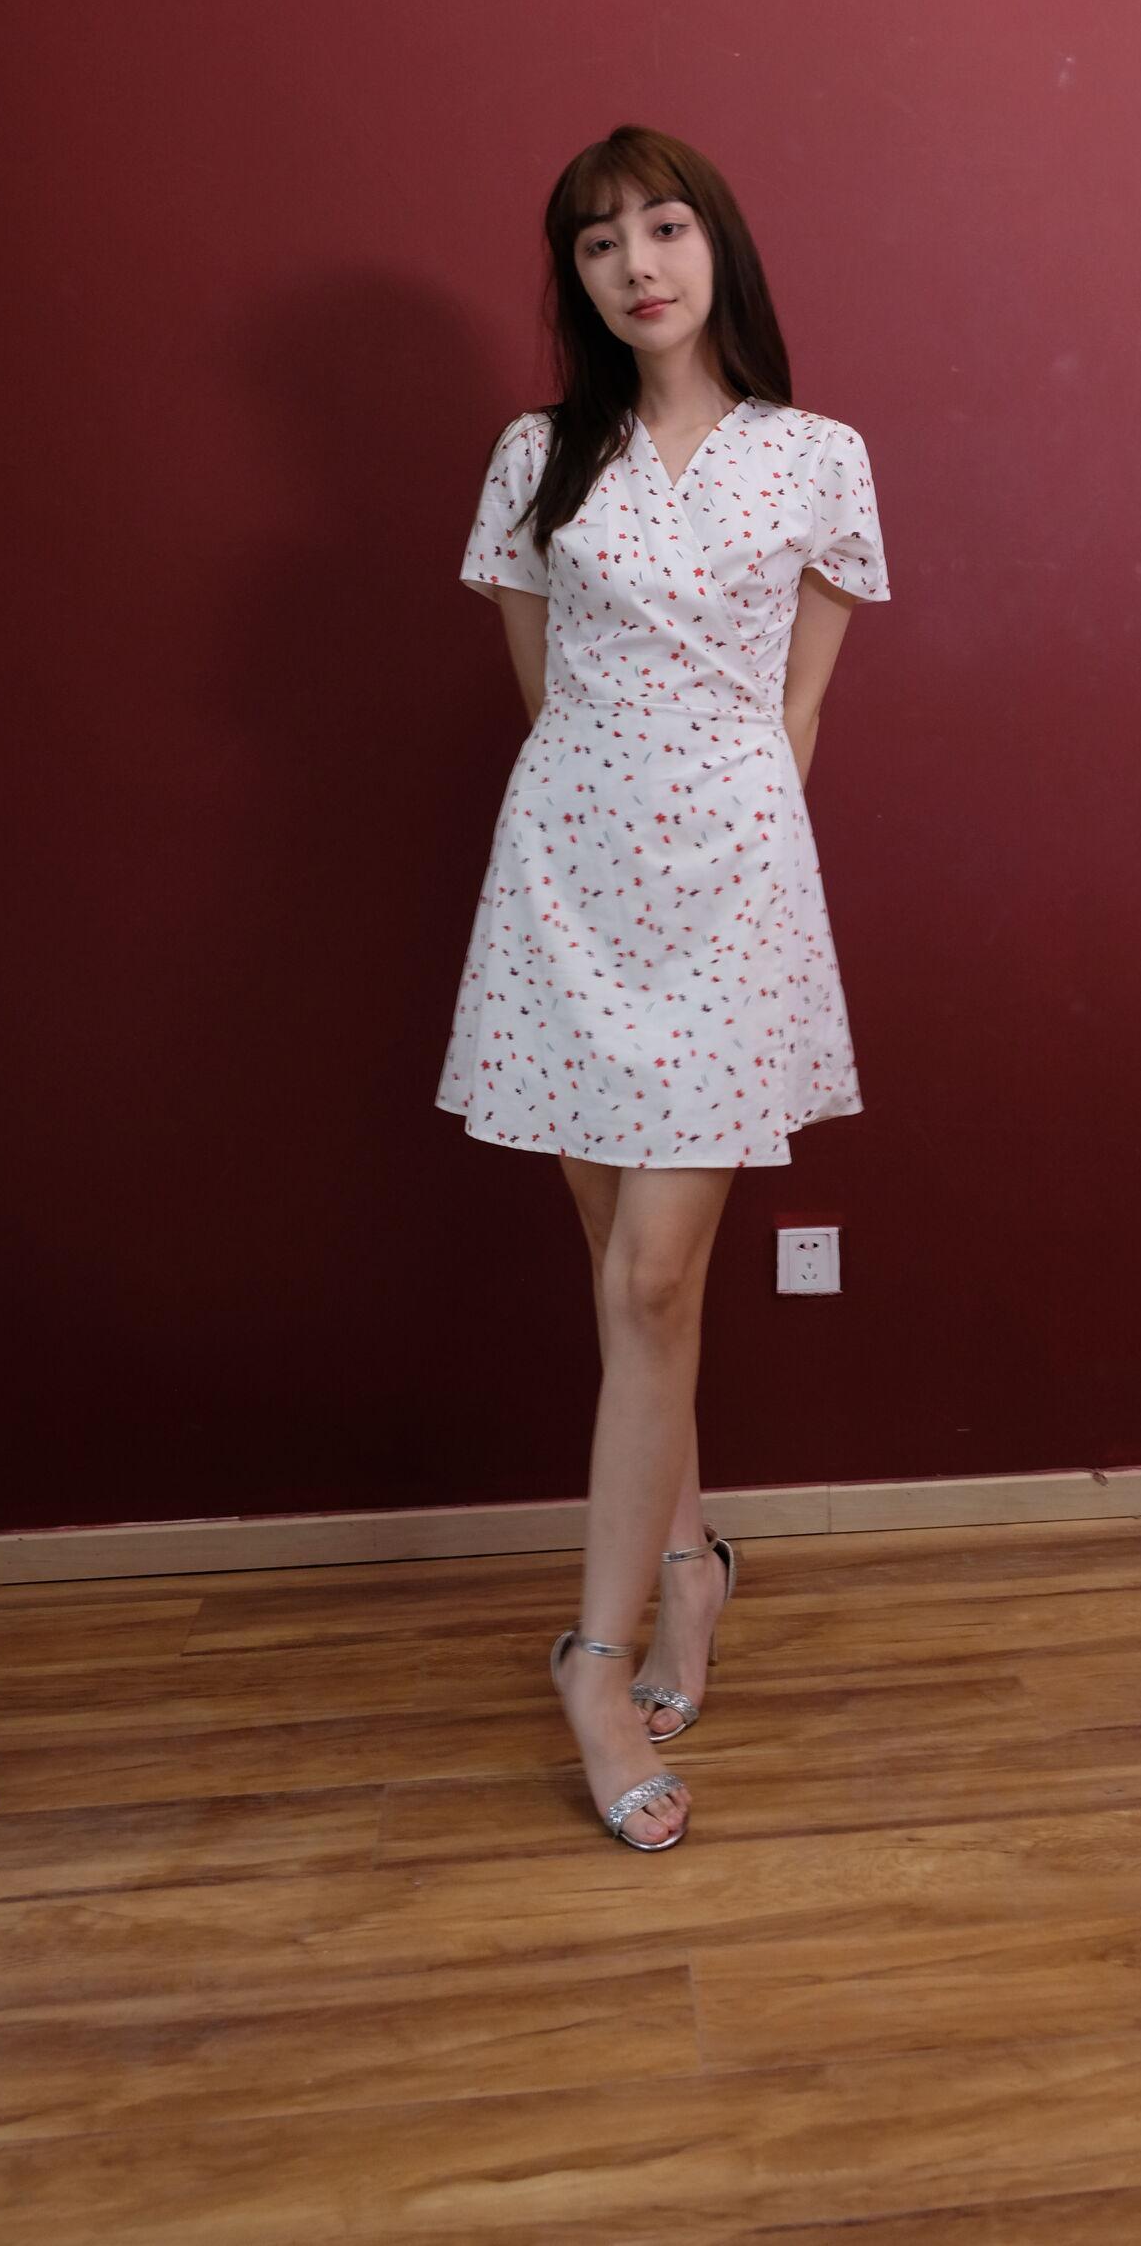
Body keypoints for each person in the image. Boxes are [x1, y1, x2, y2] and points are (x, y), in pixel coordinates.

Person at [436, 125, 892, 1850]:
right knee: (625, 1280)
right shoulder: (537, 457)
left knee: (653, 1276)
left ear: (719, 248)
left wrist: (727, 846)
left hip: (730, 894)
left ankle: (596, 1659)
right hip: (567, 882)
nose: (638, 263)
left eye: (667, 226)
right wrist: (616, 817)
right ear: (576, 278)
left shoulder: (818, 458)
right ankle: (691, 1561)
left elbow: (801, 711)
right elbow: (546, 693)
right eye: (599, 240)